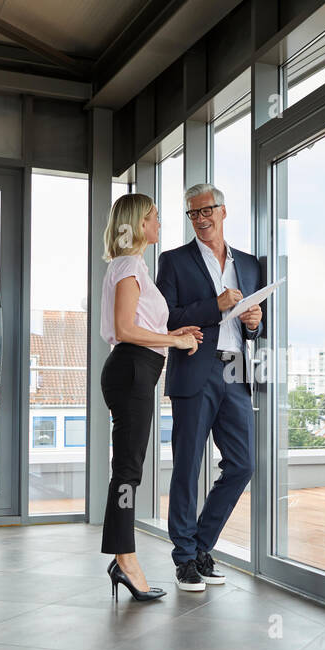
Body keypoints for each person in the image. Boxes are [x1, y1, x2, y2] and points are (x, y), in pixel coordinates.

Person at [156, 183, 264, 592]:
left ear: (223, 210)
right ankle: (184, 558)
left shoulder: (250, 264)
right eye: (193, 214)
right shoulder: (174, 261)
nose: (200, 219)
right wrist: (214, 306)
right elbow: (167, 317)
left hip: (236, 372)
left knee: (242, 465)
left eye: (206, 211)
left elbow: (254, 324)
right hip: (194, 374)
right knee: (187, 466)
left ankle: (201, 546)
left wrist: (254, 324)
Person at [99, 193, 203, 601]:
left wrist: (175, 335)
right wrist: (174, 341)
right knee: (127, 471)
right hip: (132, 368)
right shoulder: (127, 265)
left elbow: (141, 323)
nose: (160, 223)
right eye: (154, 217)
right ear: (137, 223)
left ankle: (122, 558)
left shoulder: (135, 266)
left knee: (129, 469)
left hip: (138, 370)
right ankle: (125, 560)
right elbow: (125, 329)